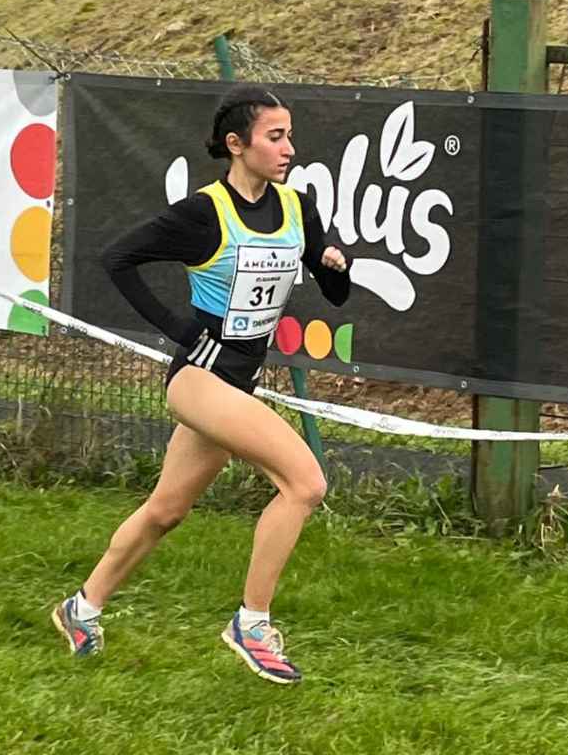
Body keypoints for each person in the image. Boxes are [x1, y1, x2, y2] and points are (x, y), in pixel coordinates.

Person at [51, 84, 352, 685]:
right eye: (275, 136)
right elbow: (117, 259)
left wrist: (336, 264)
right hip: (199, 380)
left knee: (165, 511)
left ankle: (79, 608)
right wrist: (176, 329)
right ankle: (253, 623)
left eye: (290, 135)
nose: (289, 147)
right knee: (305, 482)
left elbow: (336, 291)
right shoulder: (203, 213)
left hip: (239, 385)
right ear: (237, 145)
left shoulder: (298, 210)